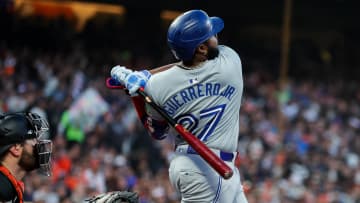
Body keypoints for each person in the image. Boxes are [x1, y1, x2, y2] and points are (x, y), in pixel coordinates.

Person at [110, 9, 248, 202]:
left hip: (198, 166)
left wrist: (142, 84)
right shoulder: (230, 61)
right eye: (211, 35)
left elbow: (157, 133)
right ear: (201, 48)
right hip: (207, 170)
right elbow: (192, 67)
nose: (216, 37)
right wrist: (146, 77)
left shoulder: (157, 86)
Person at [0, 112, 52, 203]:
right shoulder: (3, 190)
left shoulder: (9, 189)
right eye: (33, 139)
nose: (39, 145)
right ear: (16, 148)